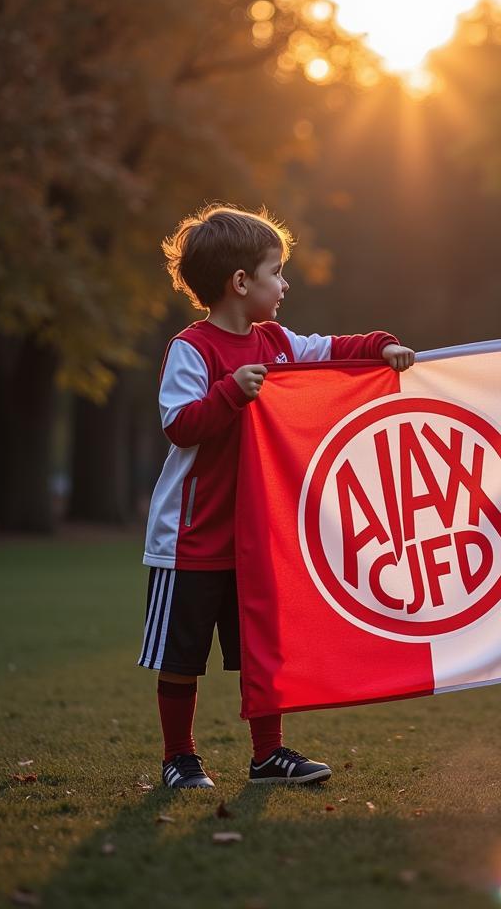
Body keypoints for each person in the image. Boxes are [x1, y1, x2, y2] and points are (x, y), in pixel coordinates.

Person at [140, 205, 415, 789]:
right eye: (275, 272)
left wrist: (383, 347)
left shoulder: (277, 341)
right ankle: (179, 759)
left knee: (262, 652)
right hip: (189, 540)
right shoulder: (192, 348)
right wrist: (229, 393)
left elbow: (334, 349)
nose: (283, 284)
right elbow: (180, 424)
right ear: (241, 283)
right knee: (181, 659)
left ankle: (268, 756)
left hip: (256, 540)